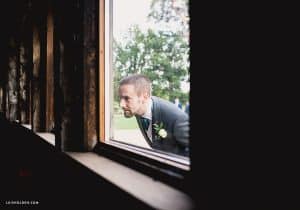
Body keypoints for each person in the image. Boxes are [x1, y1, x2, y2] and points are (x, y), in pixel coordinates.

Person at [118, 74, 189, 156]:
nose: (121, 104)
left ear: (145, 97)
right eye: (121, 98)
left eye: (127, 98)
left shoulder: (177, 119)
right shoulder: (138, 109)